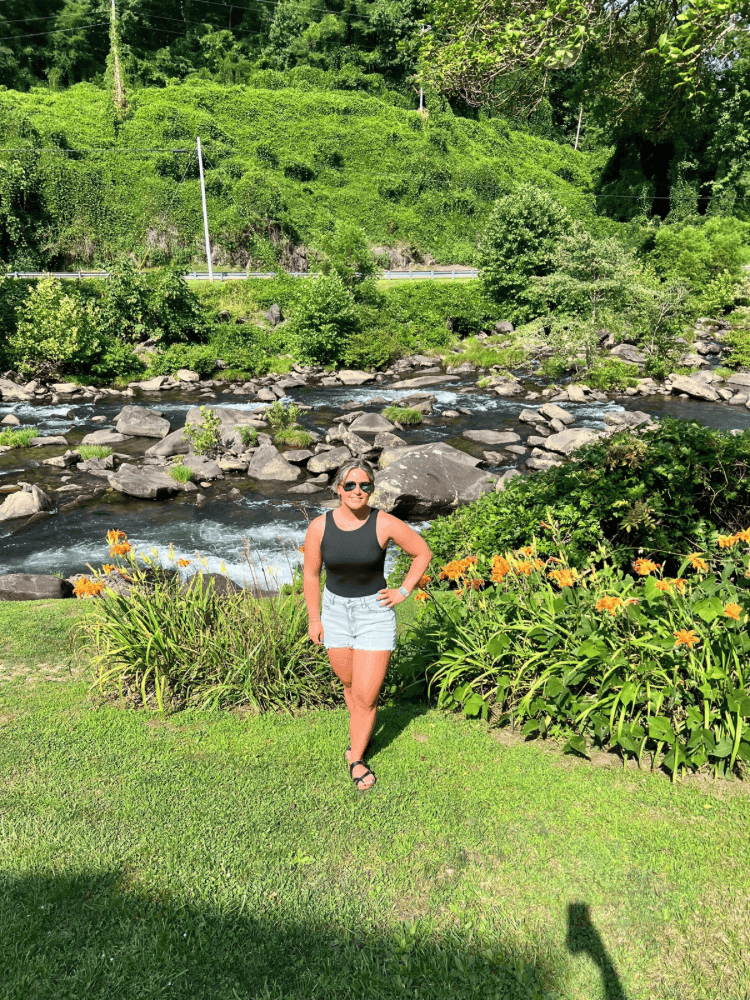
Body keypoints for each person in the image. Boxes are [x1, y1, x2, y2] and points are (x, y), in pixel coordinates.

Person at [303, 460, 432, 791]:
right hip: (333, 612)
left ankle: (356, 757)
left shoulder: (384, 523)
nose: (357, 491)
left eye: (365, 486)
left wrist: (403, 591)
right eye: (350, 485)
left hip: (373, 613)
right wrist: (314, 618)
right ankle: (360, 727)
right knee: (349, 682)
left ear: (371, 490)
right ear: (338, 489)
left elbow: (422, 553)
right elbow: (311, 574)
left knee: (366, 696)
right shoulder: (319, 526)